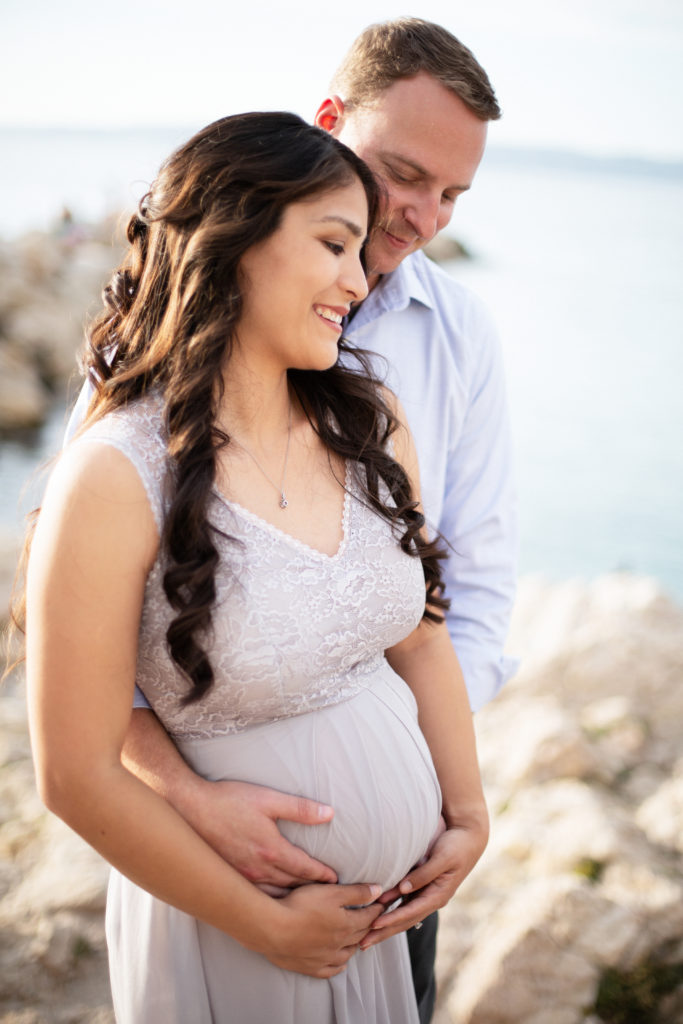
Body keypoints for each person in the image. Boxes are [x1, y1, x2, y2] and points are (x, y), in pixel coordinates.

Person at [65, 18, 516, 1022]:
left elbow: (459, 591)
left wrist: (447, 798)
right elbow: (86, 698)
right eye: (402, 174)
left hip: (405, 877)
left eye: (452, 194)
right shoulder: (128, 437)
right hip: (223, 880)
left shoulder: (440, 352)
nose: (420, 216)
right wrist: (188, 803)